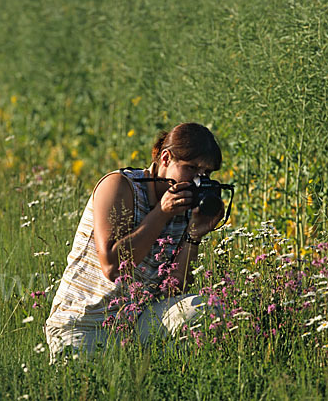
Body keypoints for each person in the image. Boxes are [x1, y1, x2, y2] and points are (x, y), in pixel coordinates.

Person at [45, 122, 225, 363]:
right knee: (88, 387)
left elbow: (174, 290)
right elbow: (113, 267)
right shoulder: (121, 185)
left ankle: (162, 379)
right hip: (84, 323)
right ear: (165, 158)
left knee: (203, 309)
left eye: (206, 173)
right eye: (191, 168)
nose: (198, 181)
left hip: (138, 323)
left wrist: (194, 234)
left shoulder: (184, 205)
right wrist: (161, 213)